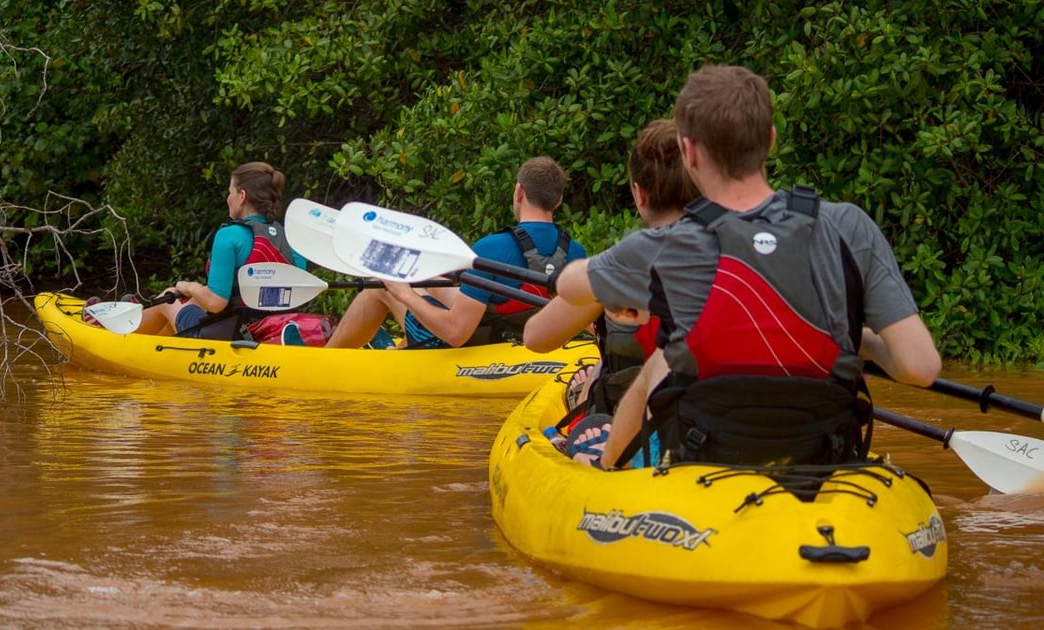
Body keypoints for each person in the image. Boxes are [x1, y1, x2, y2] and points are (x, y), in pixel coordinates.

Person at [553, 64, 941, 470]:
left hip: (703, 458)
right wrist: (858, 341)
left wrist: (627, 289)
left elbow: (568, 286)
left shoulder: (663, 245)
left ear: (689, 152)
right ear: (770, 140)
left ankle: (608, 470)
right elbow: (920, 367)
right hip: (823, 457)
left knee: (656, 366)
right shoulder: (849, 226)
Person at [523, 119, 698, 467]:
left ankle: (596, 423)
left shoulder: (619, 268)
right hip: (718, 429)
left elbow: (535, 337)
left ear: (638, 193)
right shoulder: (744, 259)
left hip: (641, 431)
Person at [318, 156, 587, 349]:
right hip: (516, 335)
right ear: (559, 200)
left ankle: (328, 361)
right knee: (436, 278)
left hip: (467, 345)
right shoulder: (576, 253)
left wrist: (404, 294)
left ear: (519, 192)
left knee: (380, 286)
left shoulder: (491, 248)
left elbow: (456, 334)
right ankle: (397, 346)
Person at [128, 161, 329, 342]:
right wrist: (195, 295)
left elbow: (215, 303)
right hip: (273, 332)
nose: (228, 198)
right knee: (193, 300)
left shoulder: (229, 236)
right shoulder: (291, 238)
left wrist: (188, 287)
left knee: (170, 295)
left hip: (226, 336)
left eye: (230, 192)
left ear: (241, 196)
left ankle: (123, 341)